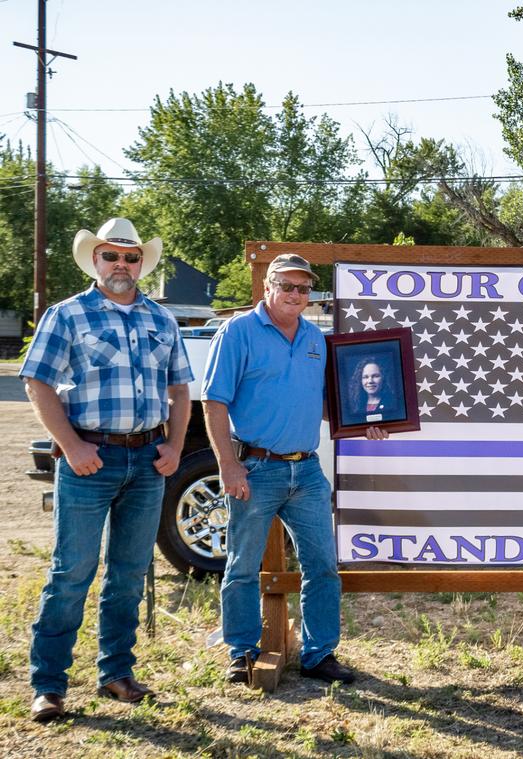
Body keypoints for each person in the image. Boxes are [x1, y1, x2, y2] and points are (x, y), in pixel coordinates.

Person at [20, 218, 192, 722]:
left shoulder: (161, 320)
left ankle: (116, 673)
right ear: (95, 260)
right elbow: (37, 383)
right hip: (89, 458)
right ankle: (49, 685)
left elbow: (181, 390)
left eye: (131, 256)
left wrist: (177, 446)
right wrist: (70, 445)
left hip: (148, 459)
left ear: (142, 263)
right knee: (71, 572)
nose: (121, 264)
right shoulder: (67, 315)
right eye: (111, 256)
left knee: (129, 574)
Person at [202, 253, 384, 687]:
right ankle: (242, 651)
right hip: (255, 468)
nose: (296, 295)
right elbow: (214, 402)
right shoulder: (237, 332)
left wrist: (365, 419)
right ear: (268, 287)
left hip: (305, 472)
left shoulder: (315, 340)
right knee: (243, 566)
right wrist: (228, 465)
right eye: (287, 286)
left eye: (303, 289)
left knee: (323, 564)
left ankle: (319, 653)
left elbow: (324, 404)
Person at [348, 358, 387, 423]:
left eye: (375, 376)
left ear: (383, 378)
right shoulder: (356, 405)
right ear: (360, 380)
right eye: (365, 377)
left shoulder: (391, 402)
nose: (370, 381)